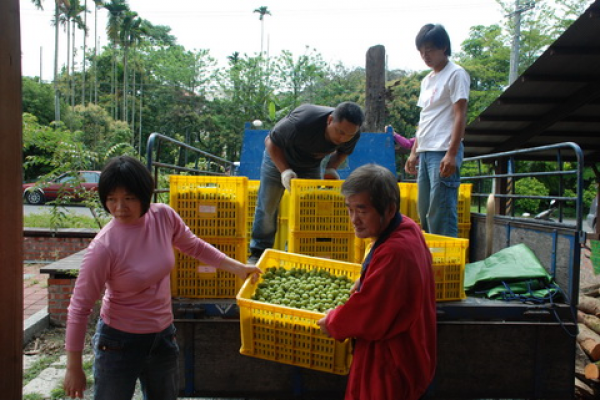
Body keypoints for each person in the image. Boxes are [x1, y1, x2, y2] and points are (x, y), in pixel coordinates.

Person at [63, 156, 261, 400]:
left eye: (129, 198)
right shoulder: (104, 247)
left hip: (163, 337)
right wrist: (73, 367)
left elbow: (195, 247)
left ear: (145, 195)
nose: (119, 207)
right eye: (111, 199)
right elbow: (79, 308)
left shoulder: (163, 217)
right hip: (118, 343)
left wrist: (239, 268)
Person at [317, 163, 436, 400]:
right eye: (349, 209)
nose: (354, 220)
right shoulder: (407, 227)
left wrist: (333, 321)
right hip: (409, 348)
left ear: (390, 210)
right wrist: (364, 281)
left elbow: (370, 313)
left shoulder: (396, 252)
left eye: (362, 211)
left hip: (391, 360)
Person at [248, 101, 365, 264]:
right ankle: (258, 252)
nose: (342, 138)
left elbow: (343, 152)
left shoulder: (352, 134)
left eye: (348, 135)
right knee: (268, 204)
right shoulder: (303, 121)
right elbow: (270, 142)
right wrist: (285, 171)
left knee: (308, 209)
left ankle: (298, 251)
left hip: (310, 165)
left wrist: (331, 168)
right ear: (330, 120)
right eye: (339, 132)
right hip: (278, 158)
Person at [405, 23, 470, 237]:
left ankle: (447, 265)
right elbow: (425, 118)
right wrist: (414, 151)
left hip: (443, 150)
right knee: (424, 211)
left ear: (444, 47)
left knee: (440, 212)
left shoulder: (456, 74)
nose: (425, 55)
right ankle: (430, 262)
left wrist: (451, 153)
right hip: (425, 151)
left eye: (430, 49)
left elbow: (460, 113)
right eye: (421, 50)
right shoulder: (427, 80)